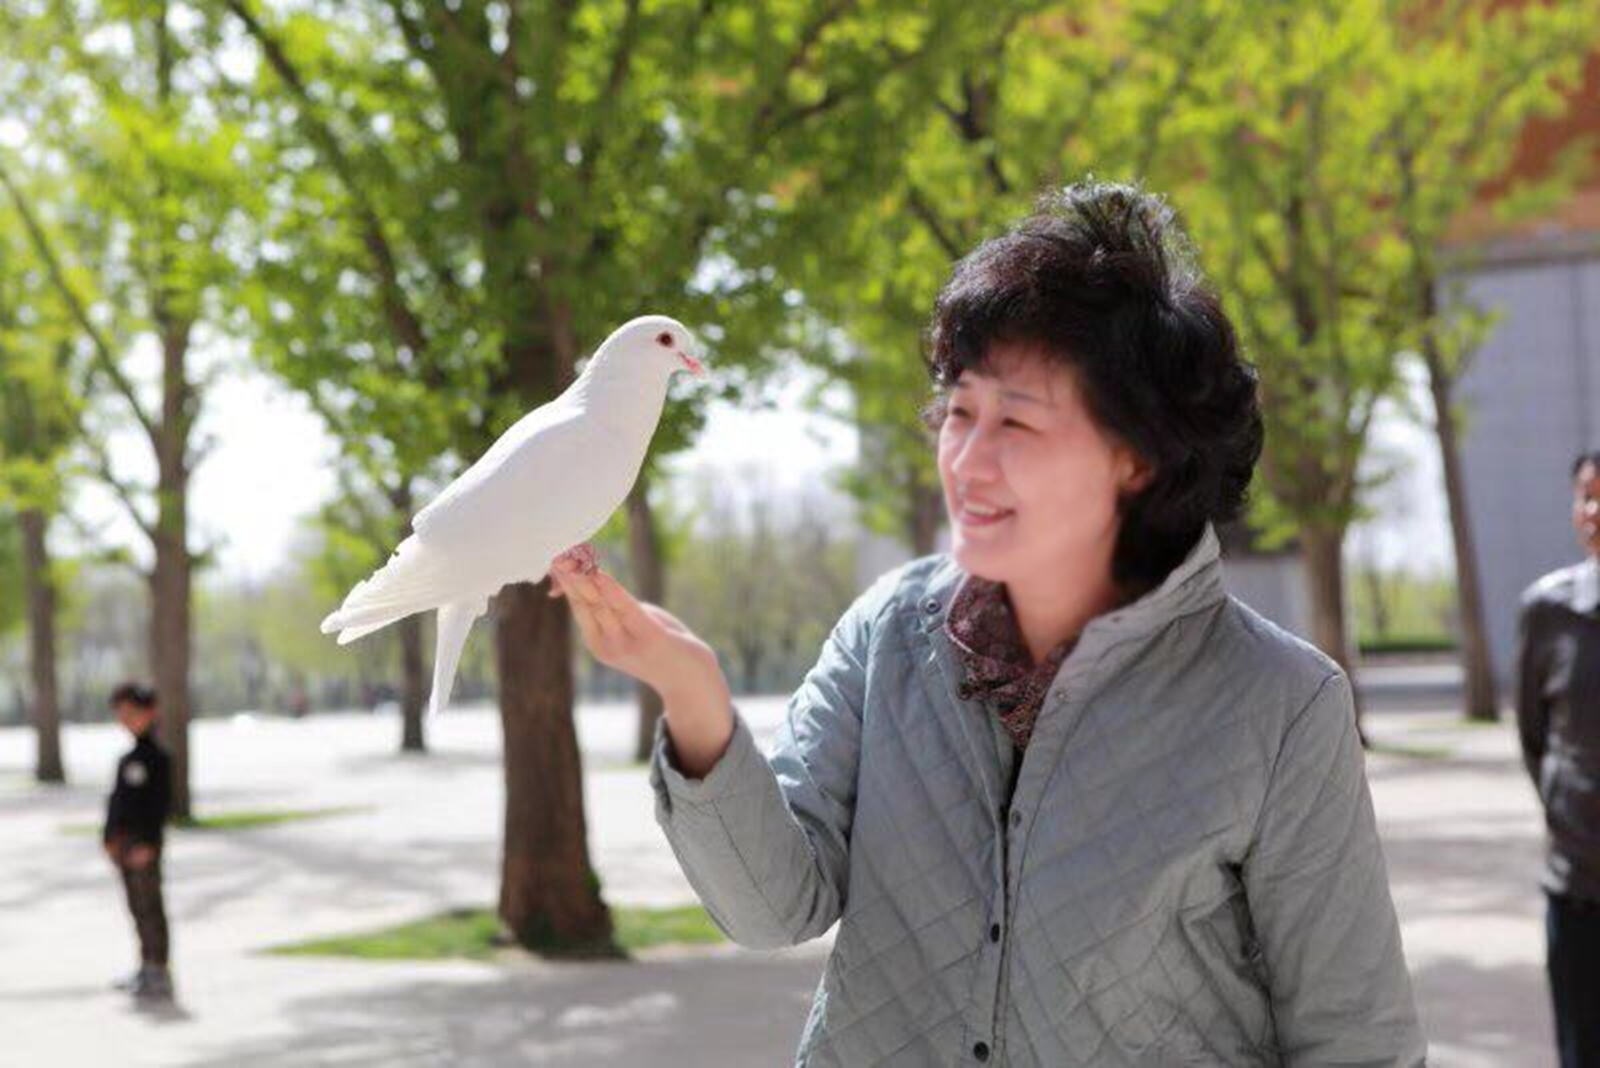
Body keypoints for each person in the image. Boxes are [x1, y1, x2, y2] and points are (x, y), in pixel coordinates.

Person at [550, 181, 1425, 1065]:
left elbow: (1356, 1038)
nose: (967, 460)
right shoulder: (889, 631)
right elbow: (774, 908)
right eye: (960, 413)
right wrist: (693, 697)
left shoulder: (1281, 705)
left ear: (1137, 457)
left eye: (1017, 422)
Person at [1517, 449, 1600, 1067]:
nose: (1594, 511)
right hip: (1578, 889)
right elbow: (1534, 736)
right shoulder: (1548, 611)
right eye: (1586, 495)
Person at [103, 681, 174, 1002]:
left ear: (150, 713)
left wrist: (148, 843)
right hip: (124, 846)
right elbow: (117, 803)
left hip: (143, 847)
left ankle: (158, 968)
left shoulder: (156, 758)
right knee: (135, 908)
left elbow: (158, 806)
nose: (126, 719)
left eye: (132, 712)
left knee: (150, 908)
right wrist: (109, 837)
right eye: (121, 714)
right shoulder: (128, 757)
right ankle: (145, 965)